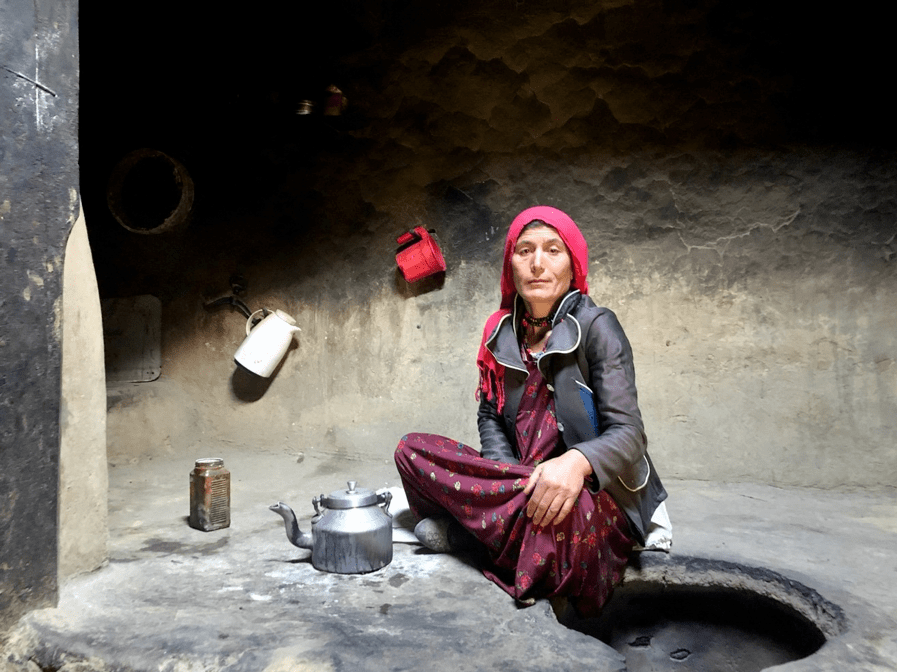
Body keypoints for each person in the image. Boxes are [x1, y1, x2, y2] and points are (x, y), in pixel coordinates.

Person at [394, 205, 667, 616]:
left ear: (573, 265)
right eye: (524, 251)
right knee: (411, 450)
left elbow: (628, 434)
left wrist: (575, 464)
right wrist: (508, 478)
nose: (538, 263)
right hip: (524, 483)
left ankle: (477, 532)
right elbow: (490, 416)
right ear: (511, 266)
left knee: (561, 525)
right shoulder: (499, 333)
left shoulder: (597, 327)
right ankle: (508, 525)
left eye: (553, 250)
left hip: (588, 493)